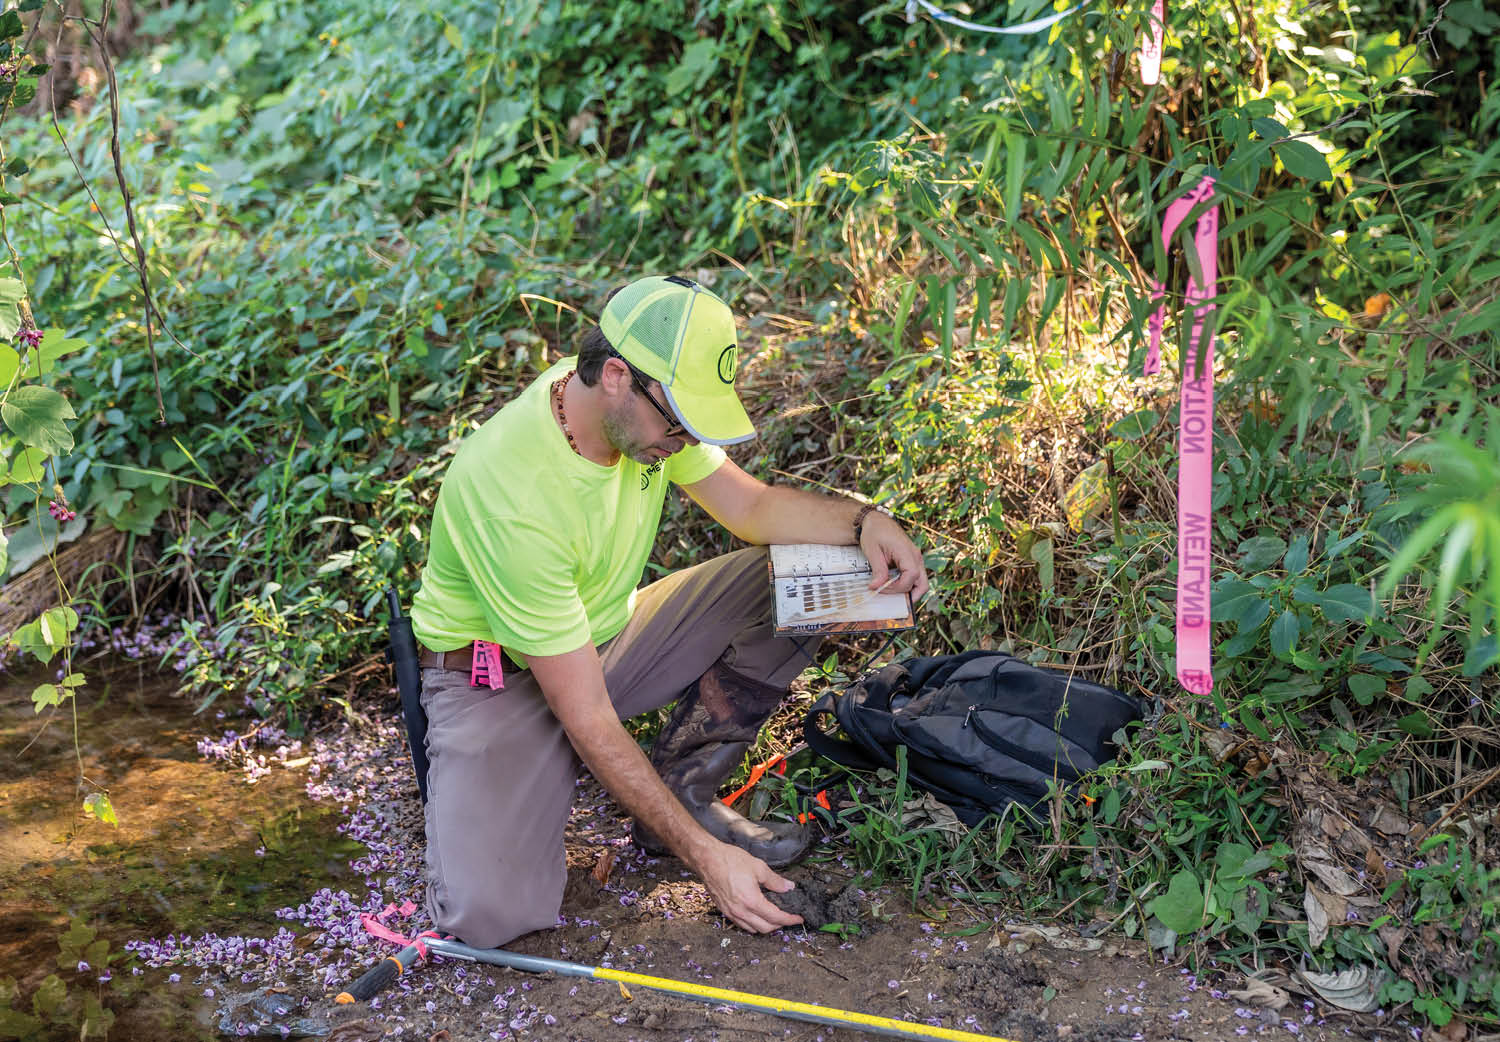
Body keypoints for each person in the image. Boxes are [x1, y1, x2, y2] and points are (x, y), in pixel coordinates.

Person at [409, 274, 928, 948]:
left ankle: (683, 795)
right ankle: (539, 777)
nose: (683, 440)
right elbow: (588, 716)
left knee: (822, 570)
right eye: (678, 422)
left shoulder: (632, 417)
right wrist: (708, 865)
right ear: (618, 376)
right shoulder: (513, 492)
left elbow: (751, 508)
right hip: (495, 681)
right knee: (488, 920)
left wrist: (864, 520)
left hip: (604, 639)